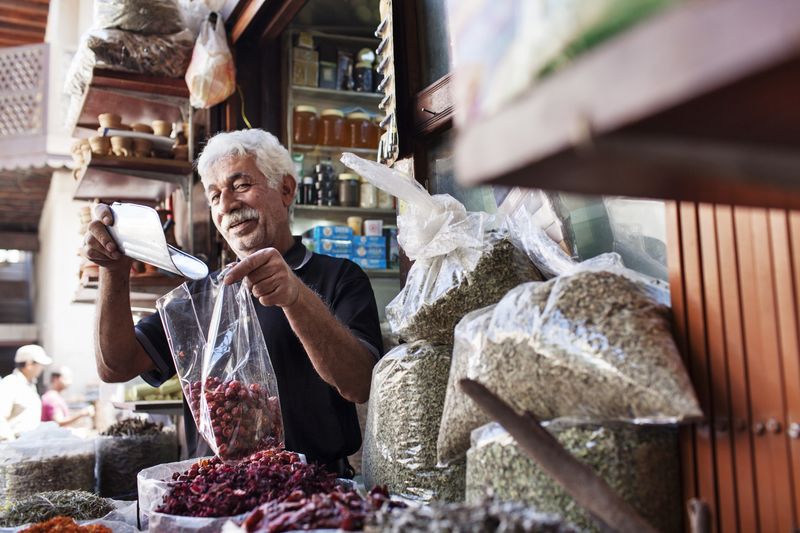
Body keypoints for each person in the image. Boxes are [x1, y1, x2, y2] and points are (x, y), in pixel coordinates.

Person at [82, 129, 382, 476]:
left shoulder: (341, 277)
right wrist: (113, 271)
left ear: (286, 189)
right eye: (214, 196)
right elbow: (115, 366)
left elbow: (360, 383)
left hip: (317, 494)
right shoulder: (200, 295)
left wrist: (296, 297)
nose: (226, 205)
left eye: (240, 185)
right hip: (220, 495)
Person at [0, 344, 52, 440]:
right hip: (14, 447)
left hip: (29, 445)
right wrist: (10, 442)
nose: (41, 368)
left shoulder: (30, 386)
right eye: (40, 364)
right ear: (29, 364)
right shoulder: (10, 383)